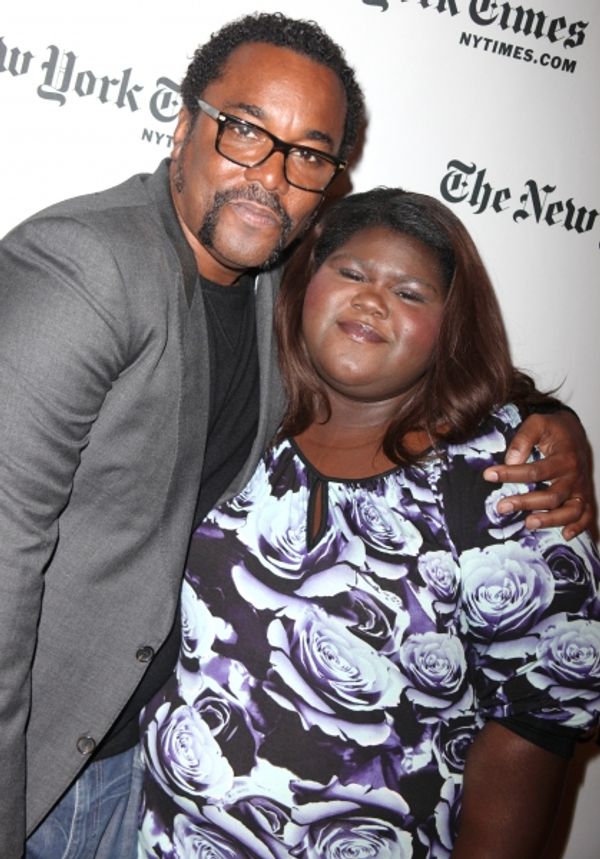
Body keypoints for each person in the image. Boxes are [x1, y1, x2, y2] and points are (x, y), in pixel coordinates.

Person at [0, 12, 592, 859]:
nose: (269, 176)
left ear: (327, 182)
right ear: (185, 125)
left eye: (307, 154)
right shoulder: (91, 270)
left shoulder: (278, 296)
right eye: (245, 132)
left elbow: (534, 726)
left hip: (134, 784)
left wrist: (560, 429)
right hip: (47, 766)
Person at [138, 187, 600, 859]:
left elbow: (537, 720)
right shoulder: (244, 412)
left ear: (451, 326)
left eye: (410, 293)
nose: (371, 299)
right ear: (304, 284)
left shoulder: (508, 479)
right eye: (351, 273)